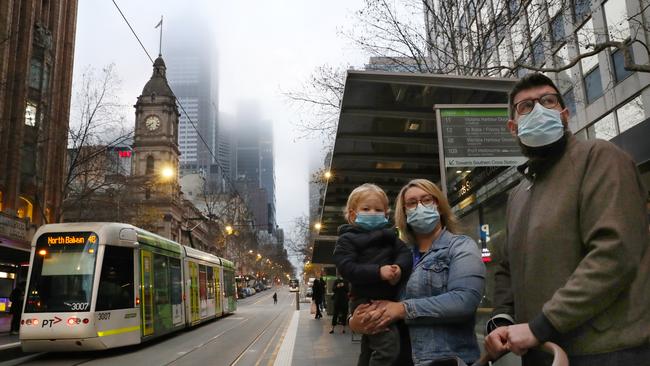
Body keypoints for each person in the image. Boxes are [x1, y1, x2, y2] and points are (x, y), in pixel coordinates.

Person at [484, 73, 650, 366]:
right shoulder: (520, 193)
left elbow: (614, 253)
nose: (538, 109)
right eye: (525, 106)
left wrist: (542, 325)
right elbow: (506, 266)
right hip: (541, 352)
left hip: (605, 351)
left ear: (564, 113)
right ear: (513, 127)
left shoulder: (600, 157)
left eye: (547, 100)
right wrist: (502, 319)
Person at [349, 179, 485, 366]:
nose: (419, 206)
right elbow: (367, 291)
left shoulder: (460, 246)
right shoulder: (395, 253)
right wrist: (354, 321)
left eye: (426, 200)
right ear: (404, 212)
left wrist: (402, 309)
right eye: (412, 203)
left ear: (439, 205)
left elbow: (464, 300)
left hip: (441, 360)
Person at [333, 183, 413, 366]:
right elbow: (346, 267)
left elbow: (405, 254)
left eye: (378, 209)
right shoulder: (347, 239)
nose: (373, 213)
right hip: (365, 301)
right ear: (353, 215)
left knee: (369, 347)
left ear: (386, 214)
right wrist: (378, 272)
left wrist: (399, 268)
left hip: (386, 300)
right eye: (366, 208)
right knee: (388, 348)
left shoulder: (390, 236)